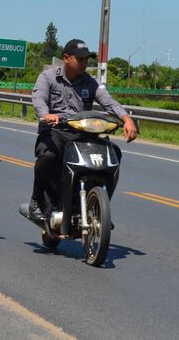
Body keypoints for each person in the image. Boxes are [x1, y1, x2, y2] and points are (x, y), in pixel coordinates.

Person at [28, 39, 138, 222]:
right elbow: (38, 98)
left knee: (114, 154)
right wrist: (47, 115)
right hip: (56, 131)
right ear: (66, 58)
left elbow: (109, 102)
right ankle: (36, 200)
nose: (85, 63)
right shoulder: (47, 77)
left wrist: (126, 119)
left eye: (87, 59)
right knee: (47, 156)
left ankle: (99, 208)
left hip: (82, 134)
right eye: (80, 59)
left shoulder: (90, 82)